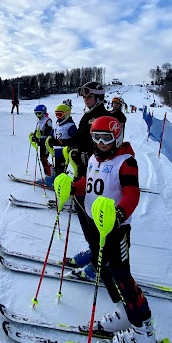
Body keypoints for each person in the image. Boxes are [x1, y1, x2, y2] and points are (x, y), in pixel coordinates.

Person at [55, 115, 156, 343]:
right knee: (105, 271)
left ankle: (145, 335)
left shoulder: (126, 162)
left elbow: (132, 194)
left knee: (122, 275)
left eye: (106, 138)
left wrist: (120, 213)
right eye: (96, 138)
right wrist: (71, 186)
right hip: (98, 226)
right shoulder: (93, 158)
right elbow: (88, 186)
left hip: (116, 228)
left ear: (117, 137)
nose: (101, 143)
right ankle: (124, 313)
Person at [66, 82, 109, 257]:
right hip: (83, 169)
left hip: (96, 173)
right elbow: (78, 137)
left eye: (89, 96)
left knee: (90, 214)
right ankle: (95, 251)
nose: (85, 100)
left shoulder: (102, 117)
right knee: (82, 212)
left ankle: (100, 257)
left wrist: (86, 155)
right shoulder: (88, 116)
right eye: (84, 97)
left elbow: (105, 146)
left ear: (98, 97)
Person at [45, 103, 77, 177]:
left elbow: (75, 139)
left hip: (65, 151)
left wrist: (65, 142)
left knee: (62, 167)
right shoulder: (57, 125)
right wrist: (50, 139)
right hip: (56, 150)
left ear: (66, 114)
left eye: (60, 115)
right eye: (56, 115)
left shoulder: (70, 126)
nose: (58, 117)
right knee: (57, 166)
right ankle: (57, 178)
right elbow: (52, 134)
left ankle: (62, 180)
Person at [29, 104, 54, 178]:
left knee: (44, 158)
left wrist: (42, 133)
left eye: (39, 113)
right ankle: (48, 174)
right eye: (36, 113)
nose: (37, 115)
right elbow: (37, 131)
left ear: (43, 112)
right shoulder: (39, 121)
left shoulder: (47, 120)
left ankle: (50, 175)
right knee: (42, 158)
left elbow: (50, 131)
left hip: (46, 142)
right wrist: (34, 136)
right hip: (41, 142)